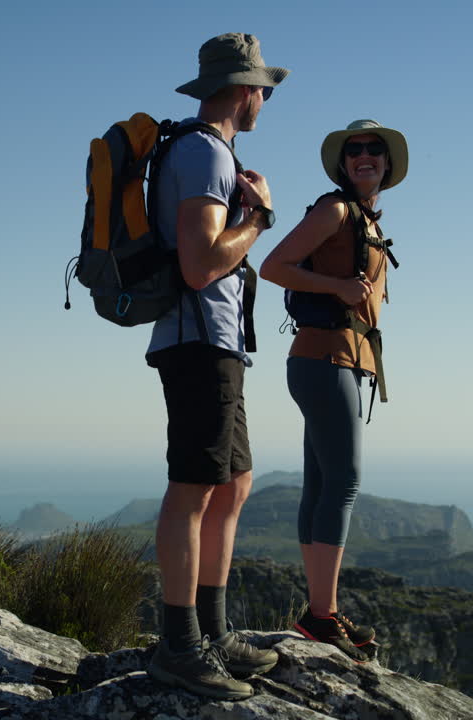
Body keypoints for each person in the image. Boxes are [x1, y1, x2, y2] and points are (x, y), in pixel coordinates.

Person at [143, 33, 287, 701]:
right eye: (264, 88)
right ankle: (179, 645)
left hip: (218, 342)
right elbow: (201, 264)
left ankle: (212, 630)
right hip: (198, 340)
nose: (266, 99)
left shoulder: (214, 153)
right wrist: (256, 218)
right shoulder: (203, 152)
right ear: (244, 88)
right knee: (195, 486)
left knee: (234, 482)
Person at [258, 119, 409, 662]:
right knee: (343, 482)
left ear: (386, 165)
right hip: (325, 359)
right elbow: (274, 266)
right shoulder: (335, 210)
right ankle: (321, 616)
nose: (364, 156)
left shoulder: (363, 219)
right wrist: (339, 286)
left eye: (374, 150)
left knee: (321, 483)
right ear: (343, 165)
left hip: (333, 361)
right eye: (355, 151)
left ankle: (320, 611)